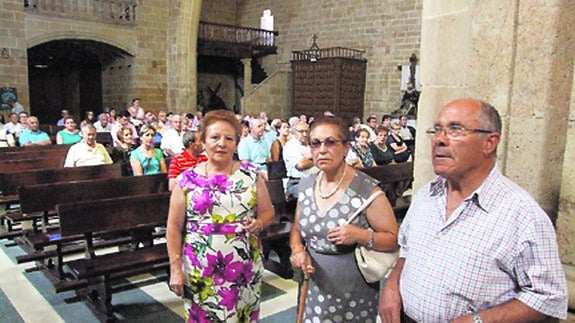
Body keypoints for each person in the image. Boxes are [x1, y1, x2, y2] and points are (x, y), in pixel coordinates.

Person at [379, 99, 568, 323]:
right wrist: (392, 285)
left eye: (455, 130)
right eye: (437, 130)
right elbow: (407, 251)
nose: (439, 140)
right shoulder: (425, 196)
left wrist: (479, 320)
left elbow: (548, 296)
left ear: (489, 142)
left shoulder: (521, 213)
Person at [166, 109, 274, 322]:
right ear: (203, 141)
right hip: (199, 267)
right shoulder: (186, 180)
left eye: (228, 138)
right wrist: (175, 268)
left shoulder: (251, 175)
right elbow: (173, 227)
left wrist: (259, 223)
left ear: (236, 143)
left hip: (244, 268)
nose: (221, 143)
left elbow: (268, 211)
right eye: (214, 137)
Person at [289, 117, 399, 322]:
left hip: (352, 290)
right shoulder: (307, 185)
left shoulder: (366, 190)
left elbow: (394, 238)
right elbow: (297, 228)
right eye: (315, 143)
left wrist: (361, 235)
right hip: (314, 284)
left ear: (346, 147)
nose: (322, 150)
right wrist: (297, 251)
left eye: (330, 142)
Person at [282, 120, 317, 200]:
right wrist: (317, 159)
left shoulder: (312, 144)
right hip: (297, 182)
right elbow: (301, 165)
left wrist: (310, 158)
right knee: (313, 195)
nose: (305, 134)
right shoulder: (291, 146)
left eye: (306, 131)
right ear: (294, 132)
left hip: (315, 180)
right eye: (301, 131)